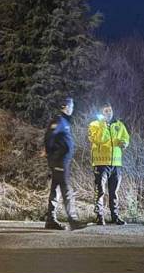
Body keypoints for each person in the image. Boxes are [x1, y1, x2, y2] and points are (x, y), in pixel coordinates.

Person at [88, 103, 130, 225]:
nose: (109, 113)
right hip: (101, 163)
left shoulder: (119, 124)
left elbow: (126, 137)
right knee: (100, 190)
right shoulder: (94, 125)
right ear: (101, 113)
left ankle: (115, 216)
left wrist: (125, 143)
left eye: (110, 111)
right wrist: (103, 125)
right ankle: (99, 216)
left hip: (116, 163)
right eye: (106, 111)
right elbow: (98, 139)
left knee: (114, 191)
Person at [44, 97, 80, 230]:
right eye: (71, 106)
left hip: (61, 161)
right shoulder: (59, 120)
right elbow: (49, 136)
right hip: (59, 161)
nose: (72, 109)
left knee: (56, 189)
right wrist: (50, 153)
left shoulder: (65, 121)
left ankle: (50, 220)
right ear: (65, 107)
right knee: (66, 189)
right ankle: (73, 219)